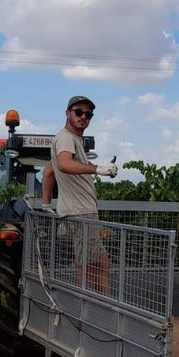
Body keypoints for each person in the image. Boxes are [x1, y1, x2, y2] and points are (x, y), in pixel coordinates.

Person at [49, 96, 118, 293]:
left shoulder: (71, 140)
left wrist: (46, 204)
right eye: (78, 112)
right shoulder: (66, 138)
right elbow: (63, 164)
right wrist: (98, 169)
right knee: (98, 264)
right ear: (67, 113)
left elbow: (48, 172)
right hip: (82, 213)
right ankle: (97, 313)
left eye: (88, 114)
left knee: (89, 263)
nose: (83, 117)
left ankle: (86, 314)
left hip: (79, 212)